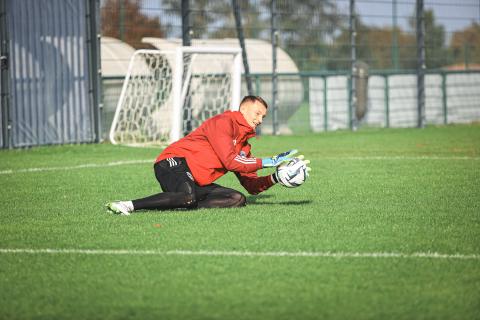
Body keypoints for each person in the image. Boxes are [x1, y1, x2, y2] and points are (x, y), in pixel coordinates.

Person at [106, 95, 309, 215]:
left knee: (237, 198)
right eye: (257, 113)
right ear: (243, 109)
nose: (260, 120)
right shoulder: (224, 122)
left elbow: (251, 187)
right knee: (187, 195)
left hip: (195, 180)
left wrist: (276, 176)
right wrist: (268, 161)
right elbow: (230, 161)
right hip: (172, 162)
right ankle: (127, 205)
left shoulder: (245, 147)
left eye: (263, 117)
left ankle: (181, 202)